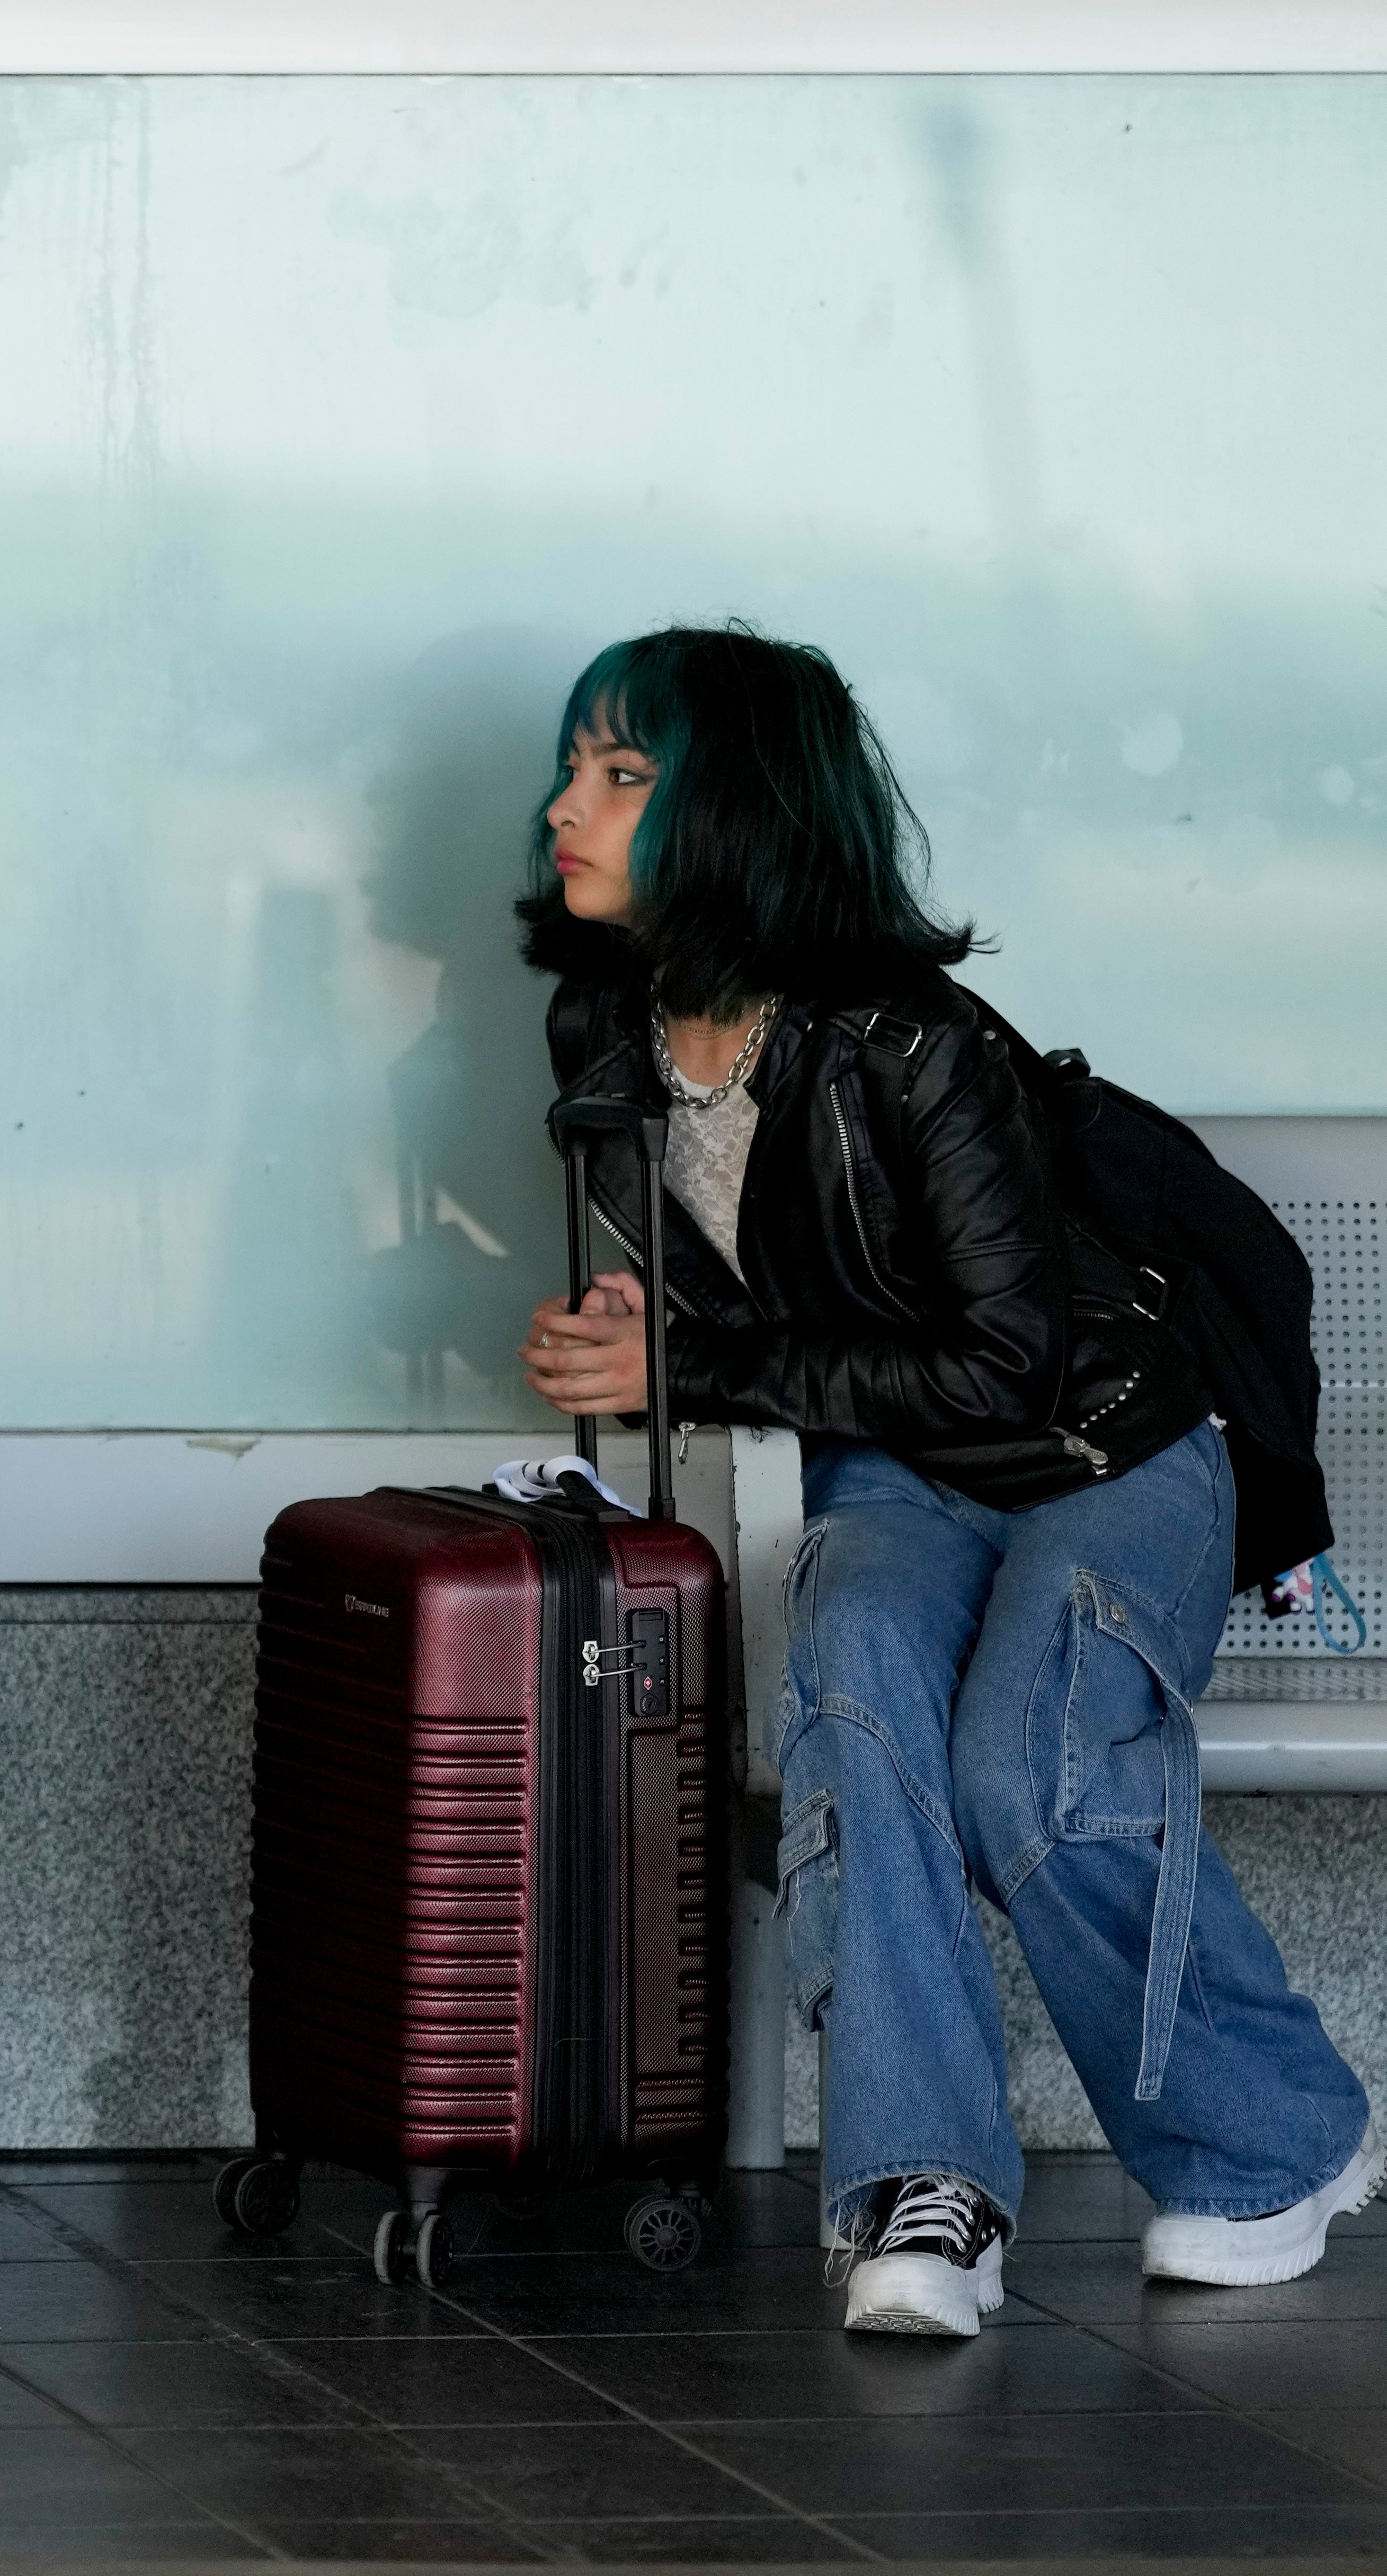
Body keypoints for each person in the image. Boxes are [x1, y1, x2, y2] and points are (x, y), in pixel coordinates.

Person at [517, 622, 1376, 2340]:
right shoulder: (608, 1026)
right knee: (859, 1682)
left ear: (739, 810)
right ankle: (927, 2183)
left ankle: (1274, 2136)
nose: (564, 807)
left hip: (1109, 1451)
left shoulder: (909, 1041)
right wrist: (656, 1323)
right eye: (574, 767)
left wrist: (702, 1369)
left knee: (1024, 1762)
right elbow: (783, 1277)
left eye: (621, 773)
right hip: (902, 1469)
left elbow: (1009, 1364)